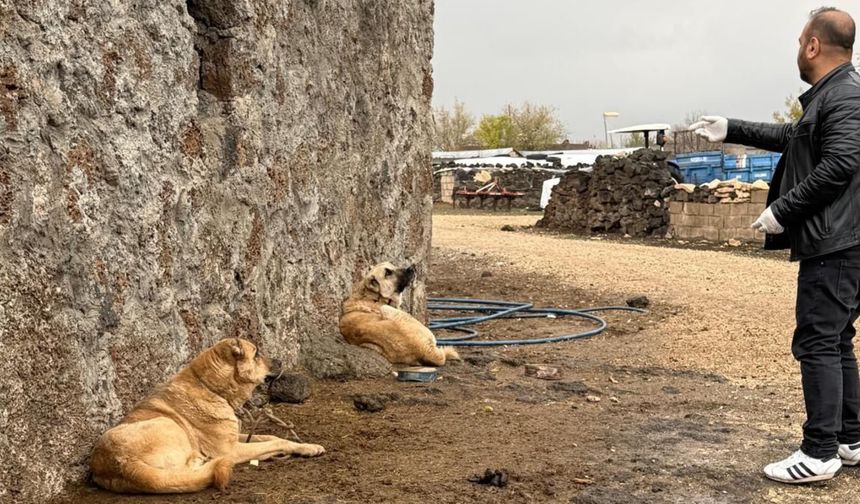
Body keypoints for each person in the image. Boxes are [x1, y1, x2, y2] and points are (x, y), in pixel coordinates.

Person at [691, 7, 860, 484]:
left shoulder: (846, 97)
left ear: (812, 45)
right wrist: (733, 128)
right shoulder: (833, 96)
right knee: (836, 339)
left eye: (798, 42)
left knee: (817, 341)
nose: (796, 51)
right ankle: (849, 440)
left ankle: (819, 451)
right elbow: (794, 137)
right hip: (844, 242)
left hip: (837, 245)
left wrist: (784, 210)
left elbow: (840, 163)